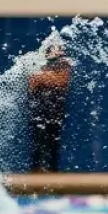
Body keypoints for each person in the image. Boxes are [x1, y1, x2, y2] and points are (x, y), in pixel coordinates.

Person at [29, 43, 73, 174]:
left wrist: (43, 78)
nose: (58, 52)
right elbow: (33, 84)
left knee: (53, 146)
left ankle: (53, 174)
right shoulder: (36, 64)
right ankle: (35, 177)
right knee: (37, 146)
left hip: (55, 114)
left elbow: (62, 81)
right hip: (39, 113)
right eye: (55, 49)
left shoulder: (65, 65)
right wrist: (47, 79)